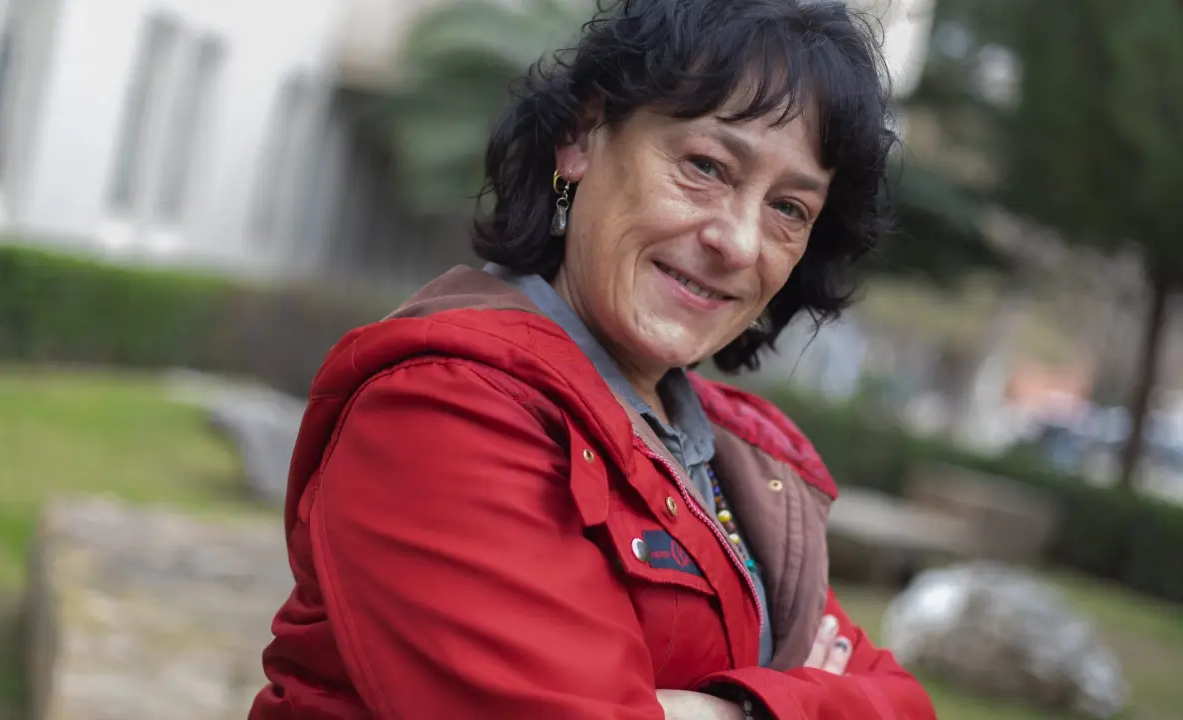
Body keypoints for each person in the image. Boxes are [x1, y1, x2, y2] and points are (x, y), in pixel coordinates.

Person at [251, 0, 935, 717]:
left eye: (789, 209)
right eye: (706, 166)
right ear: (581, 137)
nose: (738, 242)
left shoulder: (740, 458)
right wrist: (779, 704)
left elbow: (905, 706)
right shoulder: (440, 404)